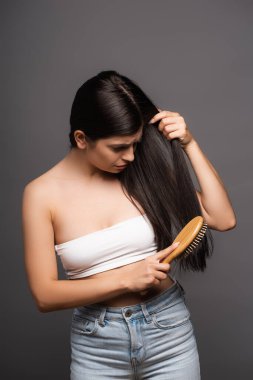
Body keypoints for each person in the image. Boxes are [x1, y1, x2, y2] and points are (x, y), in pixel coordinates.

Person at [22, 70, 236, 379]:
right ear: (82, 138)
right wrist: (126, 279)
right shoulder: (40, 195)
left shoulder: (141, 174)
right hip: (96, 344)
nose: (131, 156)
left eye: (135, 143)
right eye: (119, 147)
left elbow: (223, 218)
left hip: (168, 331)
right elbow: (44, 295)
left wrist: (189, 144)